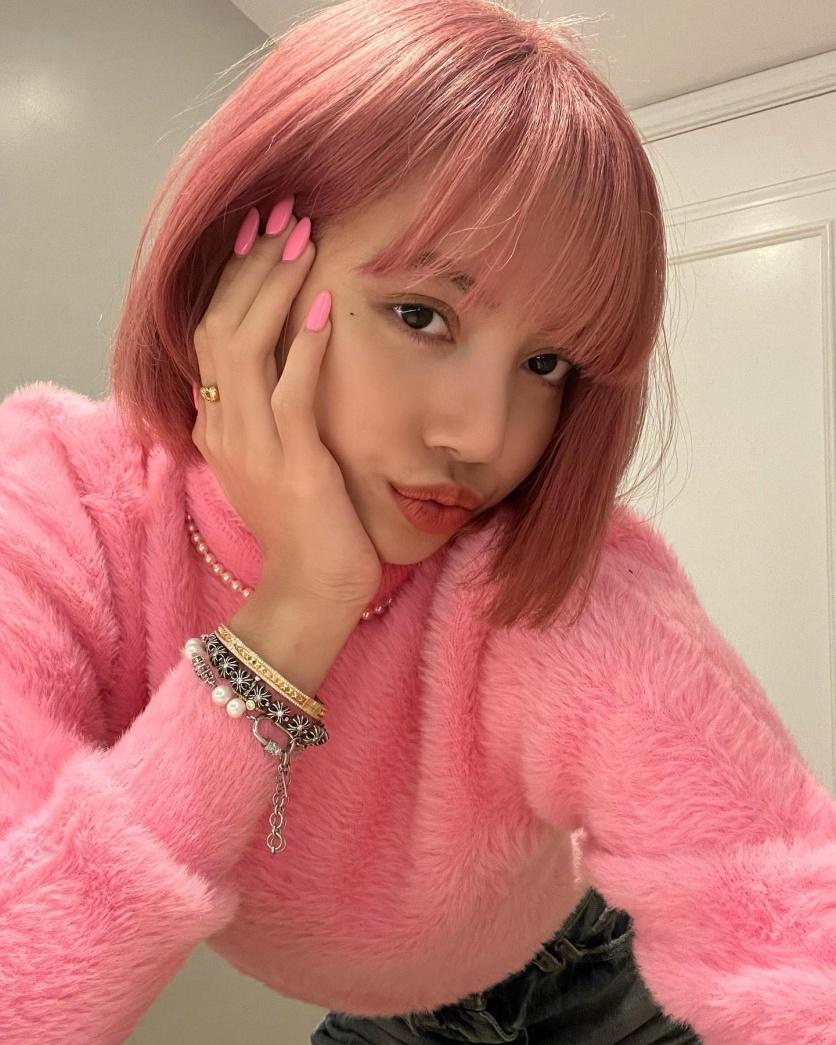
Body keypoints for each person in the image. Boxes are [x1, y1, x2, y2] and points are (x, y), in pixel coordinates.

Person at [1, 1, 834, 1043]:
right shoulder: (61, 494)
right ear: (243, 274)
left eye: (546, 363)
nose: (484, 435)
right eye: (422, 314)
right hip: (386, 1016)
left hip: (597, 963)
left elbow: (781, 903)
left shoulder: (553, 583)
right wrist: (296, 609)